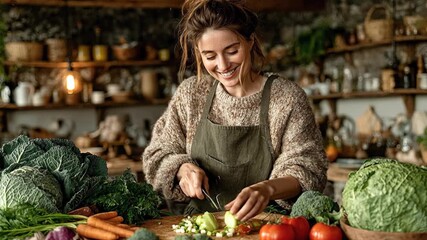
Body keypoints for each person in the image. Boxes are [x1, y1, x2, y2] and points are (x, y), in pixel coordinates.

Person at [142, 0, 327, 221]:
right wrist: (183, 168)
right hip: (201, 227)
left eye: (232, 51)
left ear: (250, 41)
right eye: (210, 56)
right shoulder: (191, 95)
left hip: (269, 226)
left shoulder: (286, 98)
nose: (222, 65)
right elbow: (156, 155)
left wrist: (267, 189)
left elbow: (308, 167)